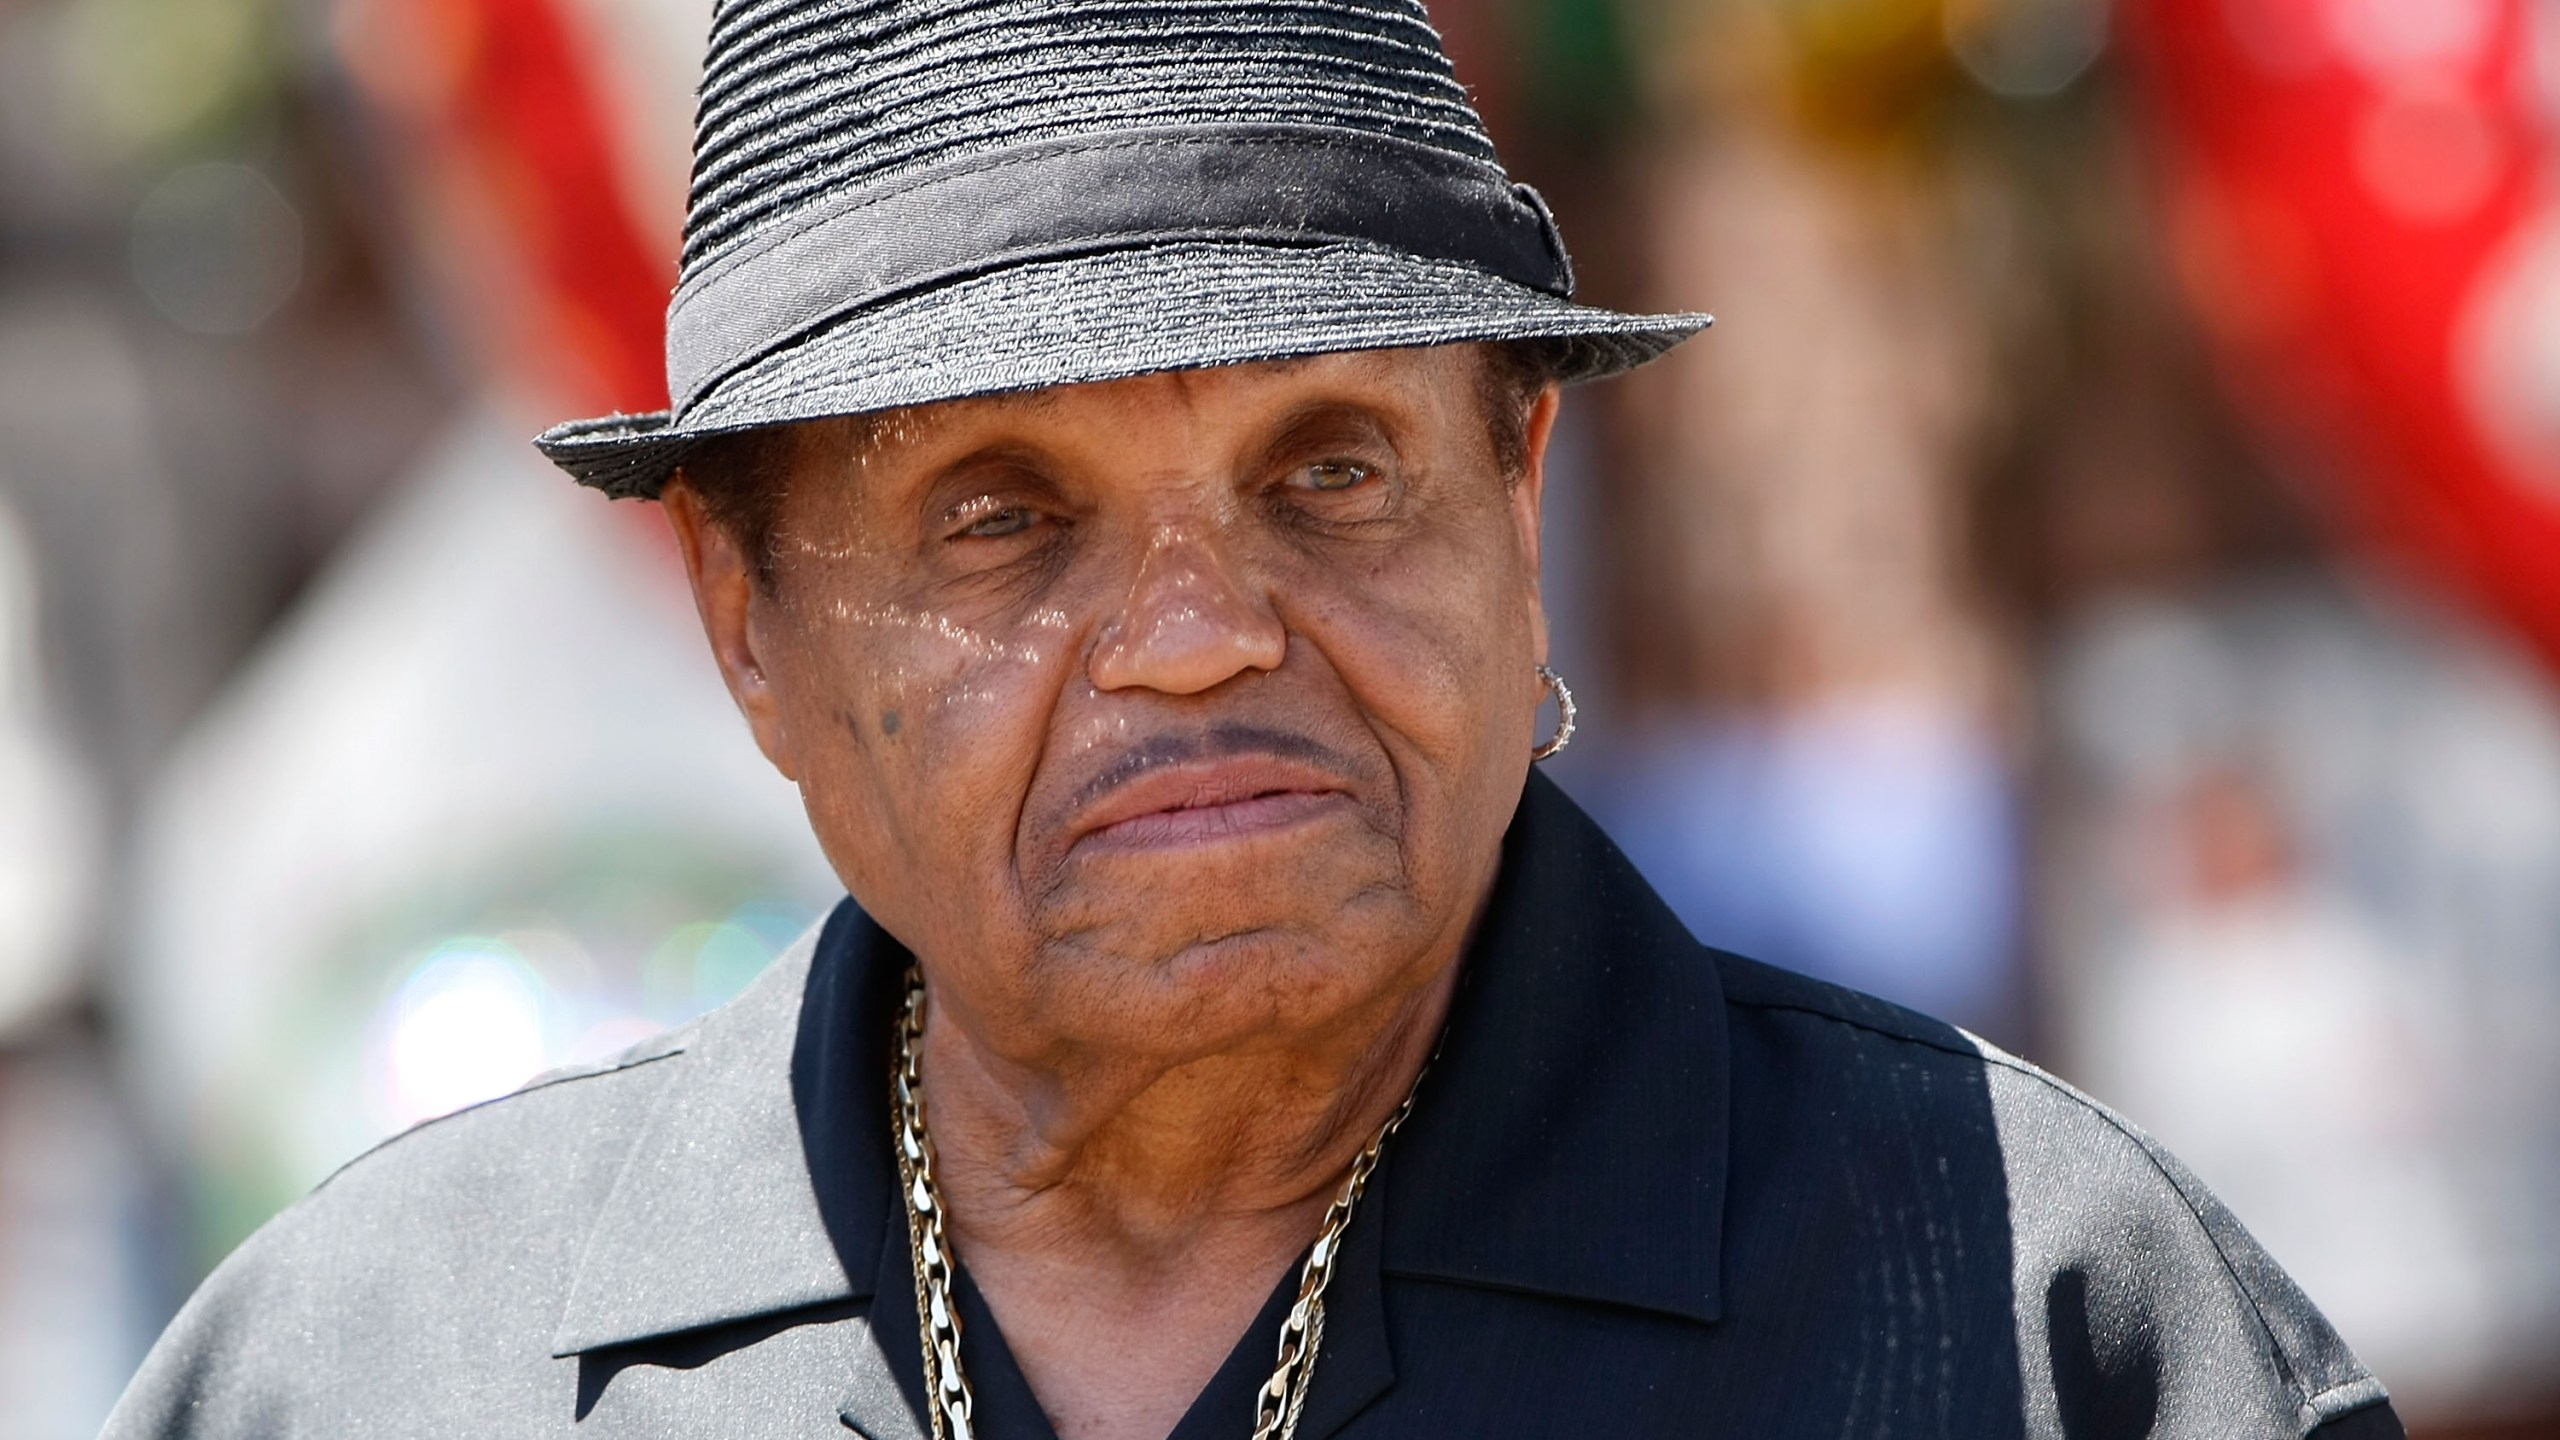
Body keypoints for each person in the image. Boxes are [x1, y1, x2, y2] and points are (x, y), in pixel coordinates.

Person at [105, 2, 2402, 1436]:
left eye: (1328, 467)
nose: (1199, 633)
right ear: (750, 622)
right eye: (1002, 514)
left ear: (1517, 493)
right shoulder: (375, 1371)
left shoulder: (2048, 1324)